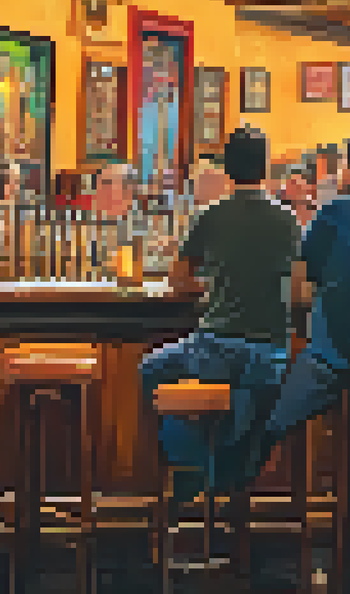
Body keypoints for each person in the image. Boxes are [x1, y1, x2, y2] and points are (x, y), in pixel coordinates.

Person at [236, 134, 350, 488]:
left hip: (332, 359)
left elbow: (301, 282)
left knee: (260, 407)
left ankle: (244, 500)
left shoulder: (336, 213)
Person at [139, 127, 301, 504]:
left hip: (216, 348)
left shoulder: (210, 216)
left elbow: (178, 280)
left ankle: (191, 468)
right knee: (243, 408)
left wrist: (211, 288)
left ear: (227, 169)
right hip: (271, 356)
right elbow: (298, 289)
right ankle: (230, 471)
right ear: (266, 169)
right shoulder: (289, 221)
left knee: (150, 369)